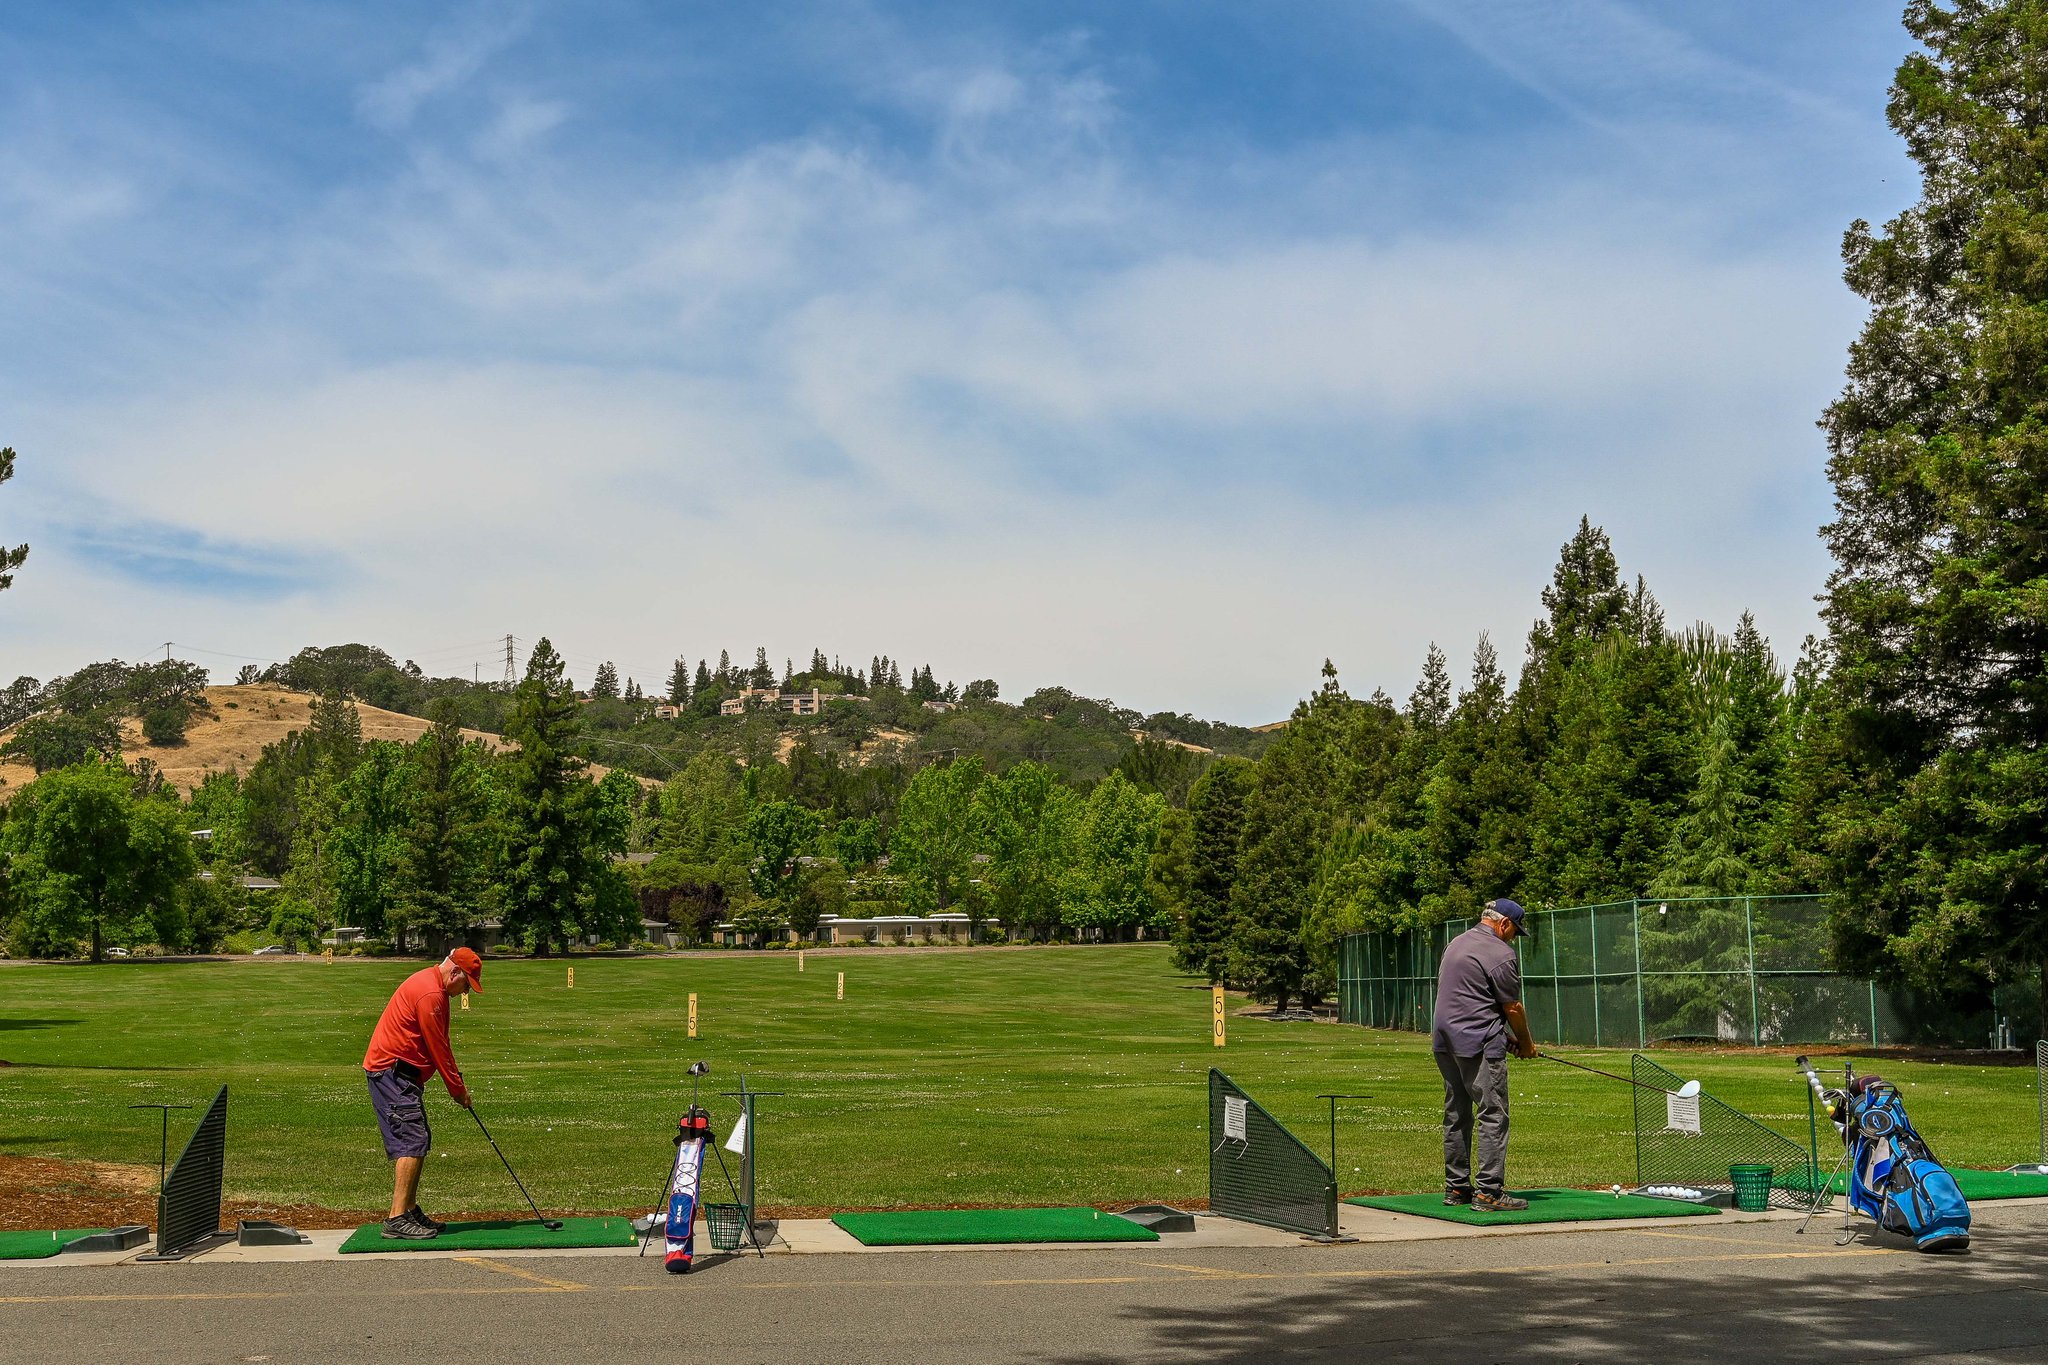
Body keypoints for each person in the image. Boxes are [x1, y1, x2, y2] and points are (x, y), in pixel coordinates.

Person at [363, 948, 482, 1239]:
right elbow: (438, 1048)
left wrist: (457, 1083)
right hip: (391, 1073)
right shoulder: (430, 994)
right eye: (466, 983)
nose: (465, 990)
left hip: (400, 1073)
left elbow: (441, 1043)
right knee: (410, 1140)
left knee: (418, 1137)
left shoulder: (435, 988)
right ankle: (396, 1218)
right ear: (454, 972)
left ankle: (409, 1208)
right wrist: (458, 1091)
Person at [1430, 898, 1538, 1212]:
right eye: (1514, 931)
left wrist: (1503, 1038)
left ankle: (1457, 1189)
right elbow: (1513, 1007)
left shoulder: (1456, 944)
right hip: (1477, 1045)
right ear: (1504, 924)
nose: (1513, 938)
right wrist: (1526, 1044)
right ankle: (1489, 1192)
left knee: (1456, 1115)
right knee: (1493, 1116)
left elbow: (1468, 1000)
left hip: (1445, 1043)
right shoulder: (1500, 953)